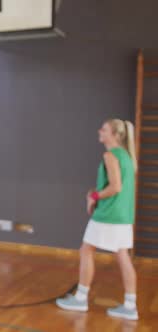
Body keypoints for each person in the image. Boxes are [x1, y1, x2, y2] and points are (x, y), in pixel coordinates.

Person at [56, 119, 138, 321]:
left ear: (115, 135)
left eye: (104, 129)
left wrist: (93, 197)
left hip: (109, 215)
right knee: (122, 256)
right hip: (123, 215)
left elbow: (116, 187)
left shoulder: (110, 155)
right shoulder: (126, 156)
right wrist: (97, 193)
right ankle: (130, 305)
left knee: (86, 250)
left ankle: (81, 298)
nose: (100, 131)